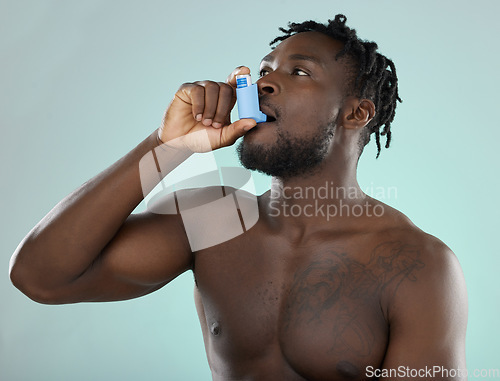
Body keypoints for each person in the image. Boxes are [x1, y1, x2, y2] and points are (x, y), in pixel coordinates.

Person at [9, 14, 468, 381]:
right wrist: (167, 146)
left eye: (299, 72)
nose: (264, 82)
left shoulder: (414, 263)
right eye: (265, 70)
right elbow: (41, 277)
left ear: (356, 113)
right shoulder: (216, 217)